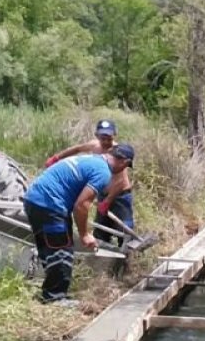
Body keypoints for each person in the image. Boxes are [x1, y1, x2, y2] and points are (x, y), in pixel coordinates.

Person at [24, 143, 136, 304]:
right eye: (126, 166)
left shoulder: (91, 159)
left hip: (34, 199)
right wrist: (85, 234)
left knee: (49, 247)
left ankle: (49, 291)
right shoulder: (103, 172)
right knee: (61, 250)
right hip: (50, 204)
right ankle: (54, 297)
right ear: (124, 162)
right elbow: (81, 205)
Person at [44, 120, 136, 249]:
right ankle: (103, 255)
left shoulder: (119, 153)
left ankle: (126, 255)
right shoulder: (94, 146)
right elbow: (76, 149)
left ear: (114, 135)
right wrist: (56, 158)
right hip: (103, 194)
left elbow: (120, 182)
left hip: (119, 196)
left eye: (109, 138)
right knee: (101, 227)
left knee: (124, 228)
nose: (106, 142)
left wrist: (108, 201)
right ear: (97, 136)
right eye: (102, 138)